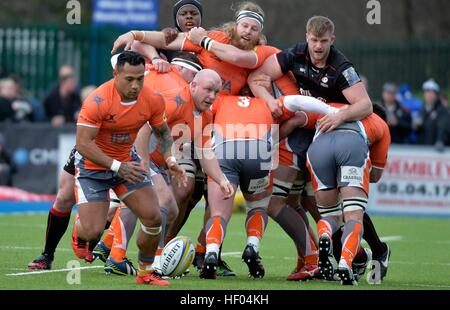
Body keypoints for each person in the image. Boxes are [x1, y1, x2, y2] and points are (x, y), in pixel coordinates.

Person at [249, 15, 390, 279]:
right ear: (307, 38)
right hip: (310, 131)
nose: (318, 46)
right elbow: (258, 75)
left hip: (337, 131)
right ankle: (322, 258)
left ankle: (365, 253)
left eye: (323, 41)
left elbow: (365, 106)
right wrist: (269, 101)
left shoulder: (340, 66)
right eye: (314, 40)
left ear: (331, 41)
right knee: (304, 202)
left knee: (331, 206)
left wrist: (339, 116)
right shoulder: (295, 54)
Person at [74, 51, 187, 286]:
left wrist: (171, 159)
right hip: (92, 168)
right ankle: (80, 230)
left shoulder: (152, 99)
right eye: (129, 79)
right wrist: (117, 166)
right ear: (116, 74)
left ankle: (145, 272)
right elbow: (83, 144)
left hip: (127, 163)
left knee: (153, 217)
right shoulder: (97, 101)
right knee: (93, 232)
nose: (135, 85)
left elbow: (163, 134)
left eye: (140, 79)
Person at [415, 79, 450, 151]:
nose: (429, 95)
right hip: (422, 149)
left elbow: (443, 127)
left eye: (432, 93)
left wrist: (440, 140)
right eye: (427, 92)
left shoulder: (442, 110)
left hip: (436, 150)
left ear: (436, 95)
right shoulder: (422, 109)